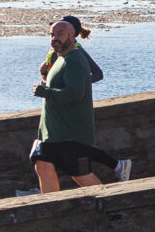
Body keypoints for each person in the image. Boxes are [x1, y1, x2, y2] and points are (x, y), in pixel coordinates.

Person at [30, 16, 113, 191]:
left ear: (72, 36)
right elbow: (59, 85)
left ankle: (112, 205)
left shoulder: (75, 58)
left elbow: (75, 93)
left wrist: (45, 92)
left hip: (70, 133)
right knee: (42, 165)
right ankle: (52, 209)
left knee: (80, 175)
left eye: (60, 34)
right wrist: (45, 74)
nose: (55, 38)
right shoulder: (59, 57)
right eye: (52, 34)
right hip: (53, 131)